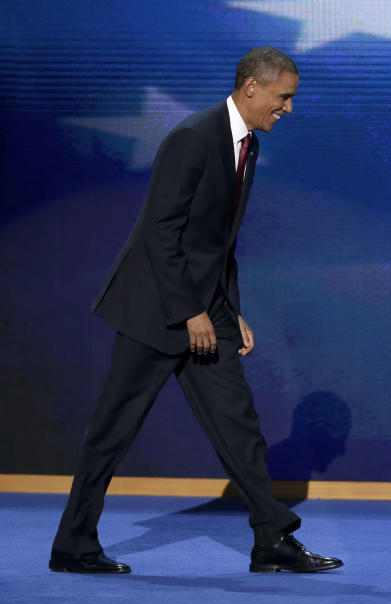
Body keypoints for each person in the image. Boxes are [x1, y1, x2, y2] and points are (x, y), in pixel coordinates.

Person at [50, 47, 343, 575]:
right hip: (156, 311)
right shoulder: (192, 137)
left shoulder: (246, 144)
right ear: (252, 87)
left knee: (239, 426)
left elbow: (218, 243)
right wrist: (190, 312)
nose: (289, 109)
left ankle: (271, 540)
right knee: (112, 431)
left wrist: (231, 309)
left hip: (207, 312)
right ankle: (73, 544)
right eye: (284, 97)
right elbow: (160, 232)